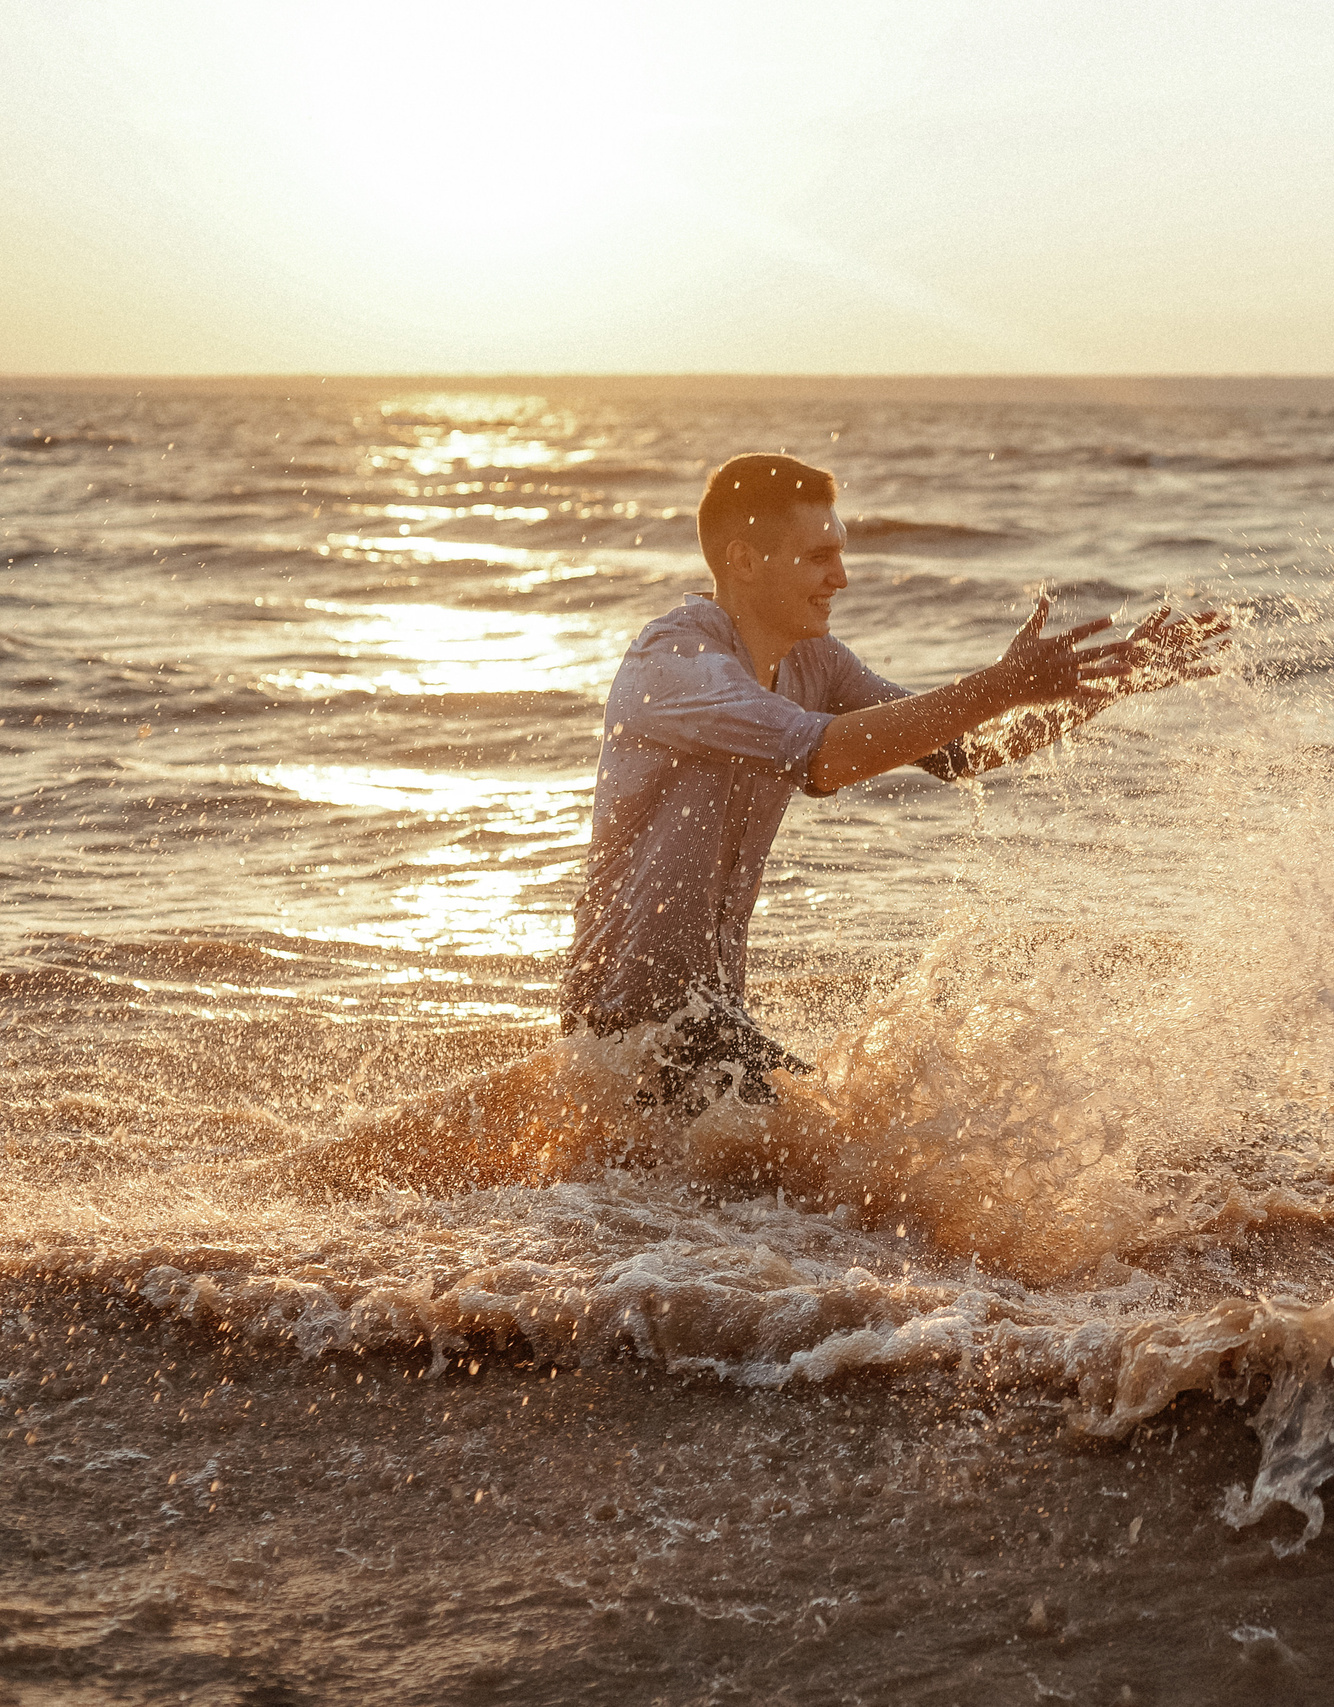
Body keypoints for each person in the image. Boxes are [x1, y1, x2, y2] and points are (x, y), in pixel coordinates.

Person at [268, 451, 1223, 1195]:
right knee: (853, 1198)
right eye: (819, 553)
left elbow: (957, 754)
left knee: (859, 1178)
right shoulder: (676, 664)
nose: (840, 575)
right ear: (743, 559)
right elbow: (829, 755)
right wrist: (998, 684)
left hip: (712, 1027)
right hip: (630, 1035)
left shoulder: (816, 662)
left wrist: (1109, 685)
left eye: (840, 550)